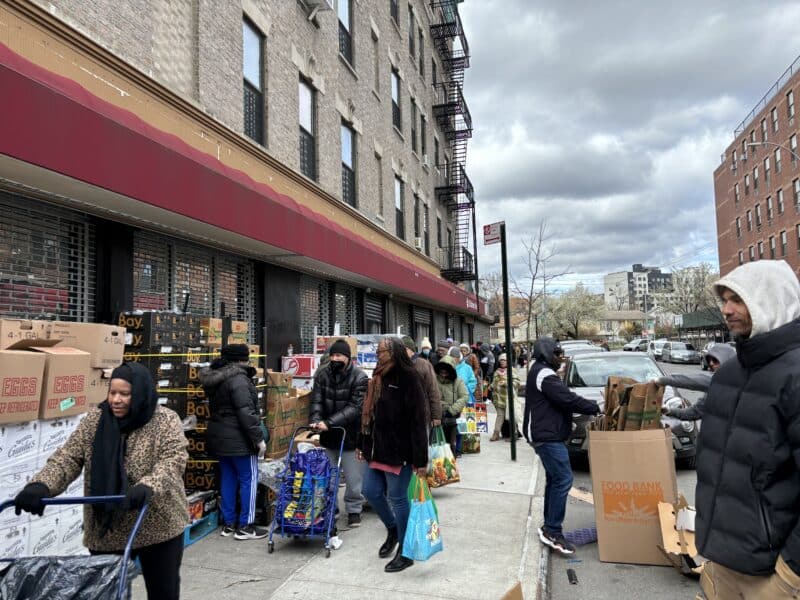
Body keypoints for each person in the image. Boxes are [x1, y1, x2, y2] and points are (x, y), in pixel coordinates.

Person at [14, 362, 188, 600]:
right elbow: (68, 458)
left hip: (158, 524)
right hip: (108, 528)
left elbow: (173, 459)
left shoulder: (165, 421)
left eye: (125, 394)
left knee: (163, 592)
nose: (116, 400)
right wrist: (41, 485)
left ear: (140, 394)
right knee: (107, 593)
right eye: (112, 392)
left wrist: (149, 485)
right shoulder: (95, 421)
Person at [695, 260, 800, 599]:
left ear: (770, 299)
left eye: (738, 299)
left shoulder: (795, 376)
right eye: (724, 300)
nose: (726, 310)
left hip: (773, 575)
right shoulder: (727, 375)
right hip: (720, 565)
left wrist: (791, 575)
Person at [357, 336, 429, 573]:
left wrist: (420, 459)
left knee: (398, 499)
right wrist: (361, 444)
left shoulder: (408, 377)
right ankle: (393, 530)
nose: (378, 355)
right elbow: (368, 416)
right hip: (375, 449)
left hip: (399, 452)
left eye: (382, 352)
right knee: (370, 491)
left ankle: (406, 552)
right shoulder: (376, 377)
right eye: (377, 352)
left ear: (394, 352)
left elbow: (419, 420)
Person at [523, 337, 599, 556]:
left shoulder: (541, 371)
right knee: (564, 478)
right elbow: (568, 399)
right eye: (557, 353)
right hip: (546, 436)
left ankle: (549, 526)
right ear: (546, 353)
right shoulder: (545, 374)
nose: (560, 357)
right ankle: (553, 531)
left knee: (555, 479)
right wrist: (595, 407)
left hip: (546, 434)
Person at [200, 343, 267, 540]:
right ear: (242, 359)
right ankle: (247, 525)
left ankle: (229, 523)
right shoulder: (239, 380)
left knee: (228, 477)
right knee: (249, 478)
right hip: (239, 439)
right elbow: (246, 412)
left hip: (219, 437)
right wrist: (259, 440)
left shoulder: (215, 379)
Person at [309, 339, 369, 528]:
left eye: (339, 356)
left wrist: (329, 422)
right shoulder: (322, 375)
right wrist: (316, 420)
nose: (335, 359)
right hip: (328, 434)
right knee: (329, 475)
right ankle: (330, 508)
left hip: (350, 434)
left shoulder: (359, 377)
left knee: (353, 478)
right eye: (333, 355)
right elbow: (316, 400)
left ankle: (354, 510)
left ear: (348, 358)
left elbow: (355, 408)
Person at [656, 343, 736, 420]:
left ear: (727, 360)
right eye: (709, 360)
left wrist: (662, 380)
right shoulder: (714, 389)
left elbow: (693, 381)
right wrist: (669, 411)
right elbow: (695, 412)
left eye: (715, 360)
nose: (711, 363)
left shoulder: (733, 380)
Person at [402, 335, 442, 428]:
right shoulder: (398, 365)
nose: (401, 352)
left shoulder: (424, 365)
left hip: (421, 415)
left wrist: (436, 416)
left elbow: (433, 391)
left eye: (404, 349)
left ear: (411, 350)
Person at [434, 355, 468, 457]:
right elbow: (430, 396)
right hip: (437, 418)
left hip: (452, 418)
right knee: (437, 446)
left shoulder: (458, 381)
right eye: (441, 370)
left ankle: (451, 469)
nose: (443, 373)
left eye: (446, 370)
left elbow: (464, 396)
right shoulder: (433, 380)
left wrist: (452, 410)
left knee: (451, 445)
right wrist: (441, 406)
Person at [490, 353, 520, 442]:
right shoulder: (497, 371)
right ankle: (496, 433)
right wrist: (491, 386)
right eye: (501, 360)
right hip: (499, 399)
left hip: (508, 399)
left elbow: (517, 382)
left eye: (504, 360)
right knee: (500, 416)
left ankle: (514, 435)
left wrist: (506, 383)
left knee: (511, 417)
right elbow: (494, 383)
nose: (502, 362)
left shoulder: (512, 370)